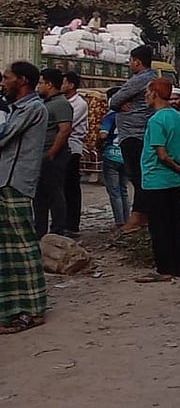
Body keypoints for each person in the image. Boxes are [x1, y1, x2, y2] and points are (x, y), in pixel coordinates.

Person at [0, 62, 49, 334]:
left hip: (16, 182)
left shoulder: (32, 108)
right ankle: (12, 307)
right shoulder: (17, 109)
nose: (3, 83)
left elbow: (3, 137)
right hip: (6, 180)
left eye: (7, 78)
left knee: (23, 247)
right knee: (7, 250)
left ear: (22, 80)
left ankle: (32, 309)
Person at [136, 77, 180, 283]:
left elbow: (162, 154)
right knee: (175, 224)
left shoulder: (156, 120)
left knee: (159, 226)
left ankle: (164, 269)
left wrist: (177, 167)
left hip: (156, 180)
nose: (145, 96)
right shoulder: (178, 117)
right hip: (174, 182)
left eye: (147, 92)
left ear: (155, 93)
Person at [108, 45, 157, 233]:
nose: (130, 64)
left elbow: (114, 100)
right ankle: (143, 215)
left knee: (137, 176)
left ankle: (137, 217)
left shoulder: (140, 79)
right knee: (138, 175)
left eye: (130, 61)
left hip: (133, 134)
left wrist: (118, 104)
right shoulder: (150, 78)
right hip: (138, 132)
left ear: (137, 61)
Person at [34, 68, 73, 238]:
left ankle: (57, 229)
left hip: (54, 155)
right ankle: (39, 230)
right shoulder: (46, 103)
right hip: (42, 154)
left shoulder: (61, 104)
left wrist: (51, 153)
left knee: (54, 192)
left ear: (49, 84)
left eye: (41, 83)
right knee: (40, 195)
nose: (38, 87)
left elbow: (64, 130)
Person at [97, 87, 129, 228]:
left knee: (114, 191)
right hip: (126, 155)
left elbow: (103, 134)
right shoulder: (129, 115)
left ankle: (119, 221)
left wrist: (98, 145)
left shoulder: (111, 116)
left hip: (111, 155)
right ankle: (127, 220)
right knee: (124, 189)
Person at [61, 71, 88, 236]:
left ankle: (72, 224)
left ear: (71, 85)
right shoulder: (62, 101)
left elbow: (66, 124)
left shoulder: (79, 104)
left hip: (72, 147)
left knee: (71, 188)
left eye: (64, 82)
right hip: (63, 148)